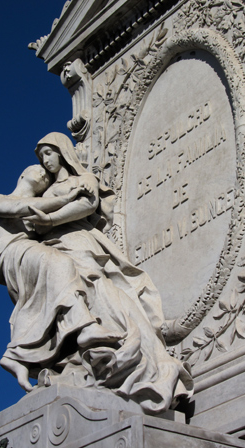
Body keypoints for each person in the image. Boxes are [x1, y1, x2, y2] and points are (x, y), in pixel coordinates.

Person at [24, 132, 194, 414]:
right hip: (53, 248)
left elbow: (87, 205)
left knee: (97, 288)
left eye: (49, 153)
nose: (45, 160)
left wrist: (51, 219)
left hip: (78, 241)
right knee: (68, 296)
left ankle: (134, 354)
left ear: (62, 152)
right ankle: (84, 353)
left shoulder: (83, 180)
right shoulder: (43, 191)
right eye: (41, 155)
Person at [0, 165, 123, 392]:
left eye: (47, 176)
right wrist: (68, 197)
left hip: (28, 255)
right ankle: (86, 327)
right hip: (12, 253)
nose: (43, 173)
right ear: (21, 174)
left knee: (35, 304)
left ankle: (16, 356)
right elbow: (22, 206)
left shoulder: (38, 214)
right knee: (59, 263)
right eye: (36, 169)